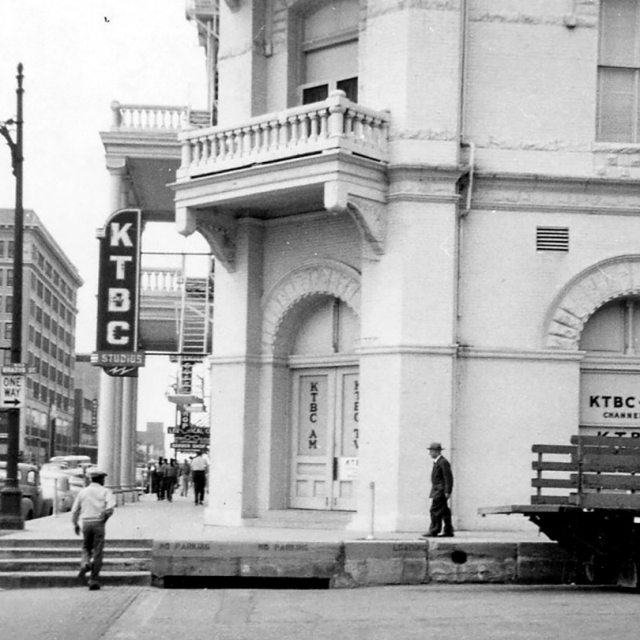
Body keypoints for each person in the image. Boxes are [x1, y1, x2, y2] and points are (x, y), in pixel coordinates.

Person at [71, 469, 116, 591]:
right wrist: (104, 518)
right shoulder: (106, 491)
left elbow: (75, 510)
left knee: (86, 547)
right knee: (98, 551)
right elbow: (110, 508)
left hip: (86, 522)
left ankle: (85, 563)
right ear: (101, 479)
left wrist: (75, 524)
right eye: (103, 479)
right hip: (98, 523)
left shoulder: (83, 492)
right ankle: (93, 579)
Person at [422, 442, 454, 538]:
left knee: (435, 510)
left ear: (436, 452)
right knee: (444, 511)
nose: (430, 453)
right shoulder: (439, 462)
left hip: (440, 491)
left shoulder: (442, 462)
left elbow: (448, 478)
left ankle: (434, 531)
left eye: (431, 451)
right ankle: (448, 531)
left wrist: (447, 491)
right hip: (439, 490)